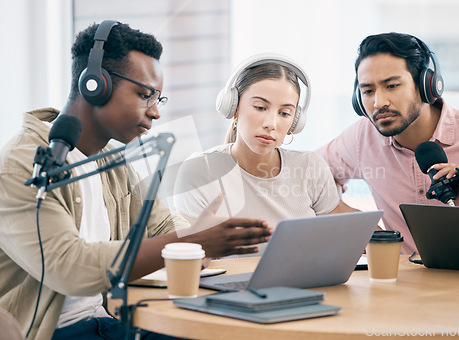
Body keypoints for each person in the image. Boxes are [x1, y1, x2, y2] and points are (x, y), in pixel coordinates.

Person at [0, 21, 272, 340]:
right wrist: (190, 242)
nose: (155, 113)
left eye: (159, 99)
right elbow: (69, 267)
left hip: (107, 321)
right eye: (145, 95)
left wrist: (199, 230)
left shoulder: (113, 162)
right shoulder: (20, 166)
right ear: (94, 85)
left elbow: (159, 224)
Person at [316, 32, 459, 254]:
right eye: (368, 91)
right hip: (400, 283)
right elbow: (307, 175)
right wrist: (358, 225)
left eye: (392, 86)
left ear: (426, 85)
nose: (379, 103)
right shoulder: (363, 137)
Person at [173, 54, 357, 255]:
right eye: (260, 107)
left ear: (295, 122)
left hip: (301, 284)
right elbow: (185, 256)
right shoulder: (200, 171)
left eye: (284, 113)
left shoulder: (310, 166)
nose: (271, 123)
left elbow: (344, 230)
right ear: (233, 108)